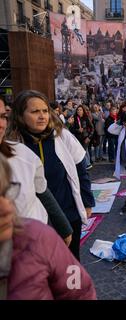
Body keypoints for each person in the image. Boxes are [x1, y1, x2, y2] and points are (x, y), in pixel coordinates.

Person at [7, 90, 95, 261]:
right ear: (20, 115)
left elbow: (80, 167)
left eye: (45, 111)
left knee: (71, 263)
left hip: (68, 213)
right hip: (35, 221)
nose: (42, 116)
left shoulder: (61, 135)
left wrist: (86, 201)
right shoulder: (13, 146)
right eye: (34, 112)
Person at [0, 154, 96, 300]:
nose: (6, 208)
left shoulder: (39, 238)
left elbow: (80, 290)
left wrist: (65, 225)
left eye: (6, 191)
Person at [0, 96, 73, 246]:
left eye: (2, 117)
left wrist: (64, 227)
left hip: (34, 241)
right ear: (20, 116)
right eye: (35, 111)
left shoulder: (21, 153)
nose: (0, 124)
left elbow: (42, 191)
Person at [70, 105, 94, 169]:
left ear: (83, 111)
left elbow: (92, 128)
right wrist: (77, 130)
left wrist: (89, 137)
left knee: (83, 151)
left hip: (86, 137)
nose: (79, 111)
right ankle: (88, 163)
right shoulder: (74, 118)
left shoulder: (86, 118)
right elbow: (71, 130)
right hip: (78, 138)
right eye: (78, 110)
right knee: (85, 151)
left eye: (80, 110)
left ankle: (88, 164)